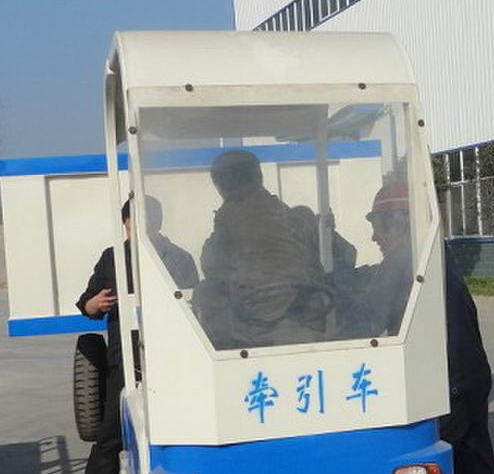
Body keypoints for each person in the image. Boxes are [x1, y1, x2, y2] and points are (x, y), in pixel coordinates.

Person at [194, 149, 327, 348]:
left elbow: (213, 266)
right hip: (301, 310)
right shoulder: (289, 215)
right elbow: (315, 267)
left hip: (253, 318)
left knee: (204, 291)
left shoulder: (229, 215)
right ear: (259, 176)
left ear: (222, 185)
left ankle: (221, 356)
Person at [50, 203, 132, 474]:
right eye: (134, 219)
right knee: (111, 433)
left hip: (171, 356)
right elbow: (86, 303)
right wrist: (94, 304)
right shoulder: (112, 258)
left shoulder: (174, 255)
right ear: (125, 223)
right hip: (124, 359)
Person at [440, 249, 494, 474]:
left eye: (380, 227)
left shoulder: (413, 266)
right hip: (467, 376)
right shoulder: (438, 261)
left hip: (456, 382)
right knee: (472, 464)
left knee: (448, 466)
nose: (376, 237)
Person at [352, 179, 414, 336]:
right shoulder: (416, 261)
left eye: (379, 227)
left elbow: (369, 321)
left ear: (403, 225)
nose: (374, 237)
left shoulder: (399, 265)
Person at [144, 195, 198, 289]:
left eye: (152, 217)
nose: (149, 223)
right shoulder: (117, 258)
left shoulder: (183, 260)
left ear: (160, 220)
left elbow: (189, 296)